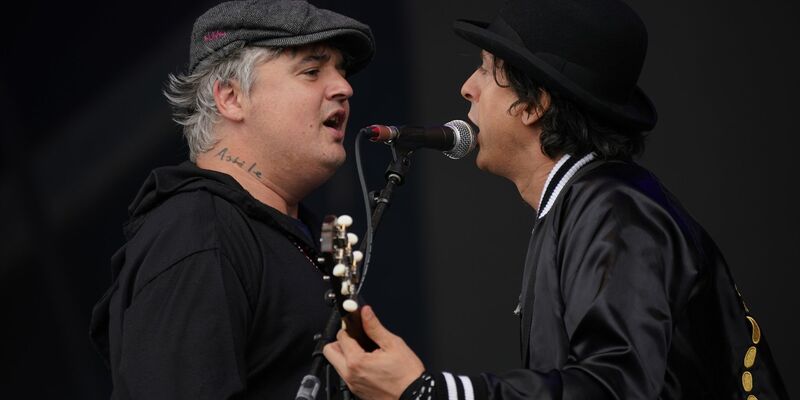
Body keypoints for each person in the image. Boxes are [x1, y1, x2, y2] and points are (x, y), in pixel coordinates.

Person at [323, 0, 789, 398]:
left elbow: (612, 389)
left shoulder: (616, 211)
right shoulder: (584, 205)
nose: (468, 87)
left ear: (533, 104)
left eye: (486, 69)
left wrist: (433, 390)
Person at [88, 0, 374, 398]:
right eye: (312, 71)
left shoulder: (297, 232)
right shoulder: (197, 231)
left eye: (341, 70)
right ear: (231, 97)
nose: (344, 87)